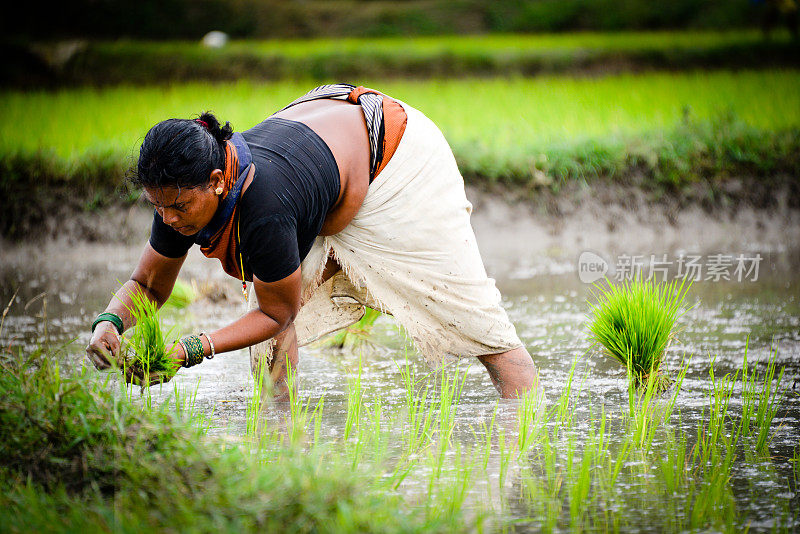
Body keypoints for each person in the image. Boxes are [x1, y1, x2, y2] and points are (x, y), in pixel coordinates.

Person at [86, 84, 540, 399]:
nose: (166, 218)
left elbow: (276, 311)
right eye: (157, 205)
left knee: (477, 322)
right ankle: (283, 436)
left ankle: (526, 421)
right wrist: (108, 323)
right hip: (323, 142)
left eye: (177, 207)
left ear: (218, 180)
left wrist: (190, 349)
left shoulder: (263, 206)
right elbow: (147, 285)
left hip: (396, 157)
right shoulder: (179, 194)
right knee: (263, 347)